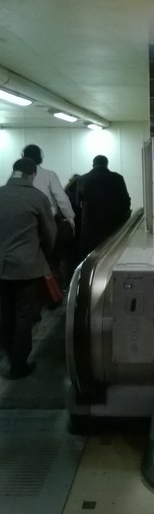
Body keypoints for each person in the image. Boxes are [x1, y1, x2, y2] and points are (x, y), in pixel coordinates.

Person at [0, 158, 56, 379]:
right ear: (32, 175)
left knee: (4, 313)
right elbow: (50, 234)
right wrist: (45, 254)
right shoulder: (37, 197)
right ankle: (19, 364)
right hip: (26, 267)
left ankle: (9, 353)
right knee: (24, 315)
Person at [22, 144, 75, 289]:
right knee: (52, 259)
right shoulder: (49, 175)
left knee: (31, 259)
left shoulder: (18, 177)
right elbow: (62, 199)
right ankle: (53, 293)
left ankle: (34, 292)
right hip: (48, 222)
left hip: (25, 224)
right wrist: (70, 218)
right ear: (40, 157)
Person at [77, 155, 131, 257]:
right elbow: (126, 201)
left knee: (90, 257)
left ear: (93, 165)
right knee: (111, 256)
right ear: (107, 164)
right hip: (112, 227)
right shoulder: (117, 178)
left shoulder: (82, 179)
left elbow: (77, 204)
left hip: (89, 228)